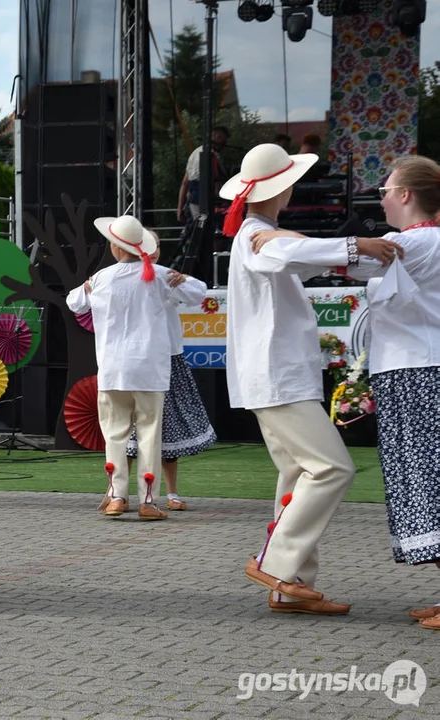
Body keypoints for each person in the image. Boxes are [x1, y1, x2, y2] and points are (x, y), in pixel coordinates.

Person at [254, 155, 440, 628]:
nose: (380, 196)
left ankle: (280, 565)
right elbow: (349, 259)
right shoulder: (418, 244)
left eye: (386, 188)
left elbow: (345, 258)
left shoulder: (412, 243)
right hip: (412, 373)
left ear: (405, 196)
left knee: (424, 479)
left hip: (418, 374)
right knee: (422, 477)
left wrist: (277, 237)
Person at [221, 142, 401, 616]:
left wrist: (353, 253)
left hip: (278, 375)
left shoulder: (266, 234)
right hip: (278, 376)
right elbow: (285, 253)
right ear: (286, 187)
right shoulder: (257, 237)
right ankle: (278, 564)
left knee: (299, 473)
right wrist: (356, 245)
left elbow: (299, 253)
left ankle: (290, 584)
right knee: (333, 468)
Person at [66, 215, 191, 522]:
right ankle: (148, 500)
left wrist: (86, 286)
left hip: (112, 370)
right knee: (150, 434)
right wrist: (182, 280)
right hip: (149, 371)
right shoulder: (161, 275)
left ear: (115, 247)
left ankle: (117, 496)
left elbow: (74, 302)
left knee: (115, 435)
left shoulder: (101, 278)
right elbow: (198, 293)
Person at [125, 245, 214, 511]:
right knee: (128, 429)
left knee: (167, 425)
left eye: (155, 247)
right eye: (145, 247)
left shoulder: (165, 276)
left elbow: (199, 292)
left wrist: (184, 279)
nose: (151, 252)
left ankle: (171, 493)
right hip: (138, 359)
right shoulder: (124, 278)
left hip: (169, 358)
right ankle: (118, 492)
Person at [177, 126, 230, 223]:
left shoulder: (195, 153)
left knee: (196, 227)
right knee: (203, 228)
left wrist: (180, 208)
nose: (224, 145)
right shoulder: (212, 155)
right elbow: (217, 181)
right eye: (223, 141)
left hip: (193, 200)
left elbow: (184, 183)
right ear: (218, 138)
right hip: (205, 199)